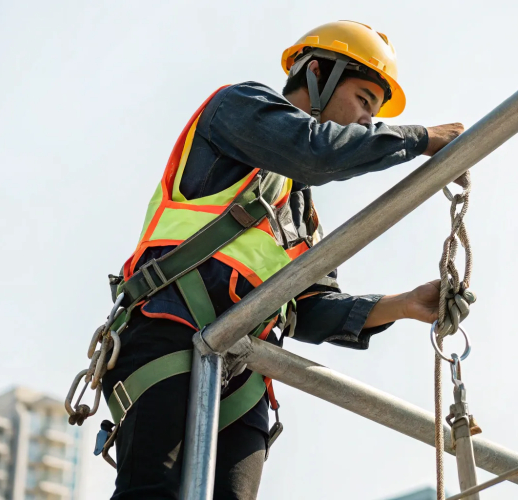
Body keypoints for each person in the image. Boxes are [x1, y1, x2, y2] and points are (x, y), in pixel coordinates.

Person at [99, 20, 465, 499]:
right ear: (317, 74)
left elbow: (310, 308)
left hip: (245, 370)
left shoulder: (299, 213)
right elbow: (314, 152)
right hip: (168, 334)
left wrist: (402, 304)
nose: (366, 122)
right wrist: (419, 138)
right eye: (363, 100)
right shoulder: (236, 108)